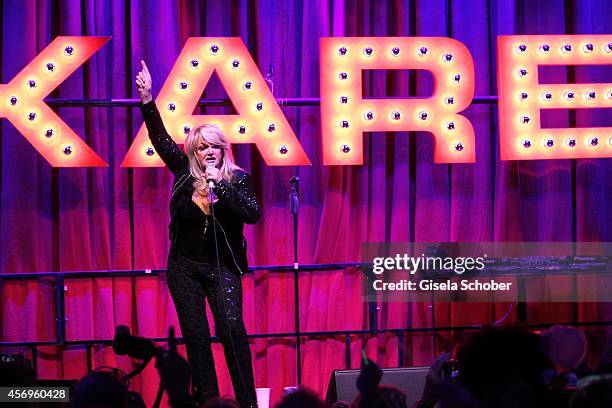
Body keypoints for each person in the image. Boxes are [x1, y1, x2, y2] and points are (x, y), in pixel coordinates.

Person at [136, 60, 260, 407]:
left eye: (213, 146)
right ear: (194, 151)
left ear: (223, 151)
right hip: (184, 267)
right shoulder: (183, 173)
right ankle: (208, 402)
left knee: (233, 331)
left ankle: (247, 403)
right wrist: (147, 98)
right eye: (201, 146)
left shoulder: (237, 179)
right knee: (196, 336)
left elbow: (252, 214)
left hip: (222, 268)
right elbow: (160, 139)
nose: (208, 151)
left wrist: (223, 185)